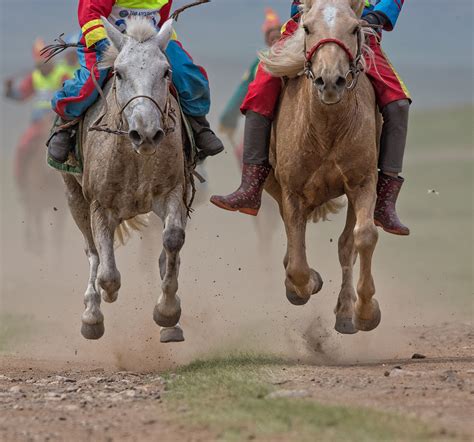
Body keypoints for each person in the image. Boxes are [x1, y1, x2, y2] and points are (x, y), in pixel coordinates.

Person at [211, 0, 411, 236]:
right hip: (309, 27)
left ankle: (385, 199)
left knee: (398, 103)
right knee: (260, 87)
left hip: (356, 30)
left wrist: (379, 16)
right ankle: (251, 185)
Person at [48, 0, 224, 164]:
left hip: (151, 41)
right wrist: (114, 47)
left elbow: (162, 19)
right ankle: (65, 125)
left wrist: (153, 45)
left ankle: (198, 125)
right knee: (87, 86)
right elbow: (89, 16)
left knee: (188, 75)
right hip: (105, 40)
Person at [4, 38, 76, 186]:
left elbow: (72, 94)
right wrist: (9, 89)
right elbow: (21, 95)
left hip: (59, 120)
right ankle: (21, 182)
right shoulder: (34, 77)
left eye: (45, 61)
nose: (42, 66)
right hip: (38, 124)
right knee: (22, 146)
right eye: (39, 63)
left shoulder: (62, 74)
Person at [219, 7, 281, 151]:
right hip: (269, 116)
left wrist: (228, 119)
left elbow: (245, 91)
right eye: (274, 38)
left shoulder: (261, 62)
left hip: (267, 116)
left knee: (246, 152)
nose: (277, 42)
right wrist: (228, 118)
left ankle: (253, 172)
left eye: (279, 38)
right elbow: (242, 92)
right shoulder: (260, 62)